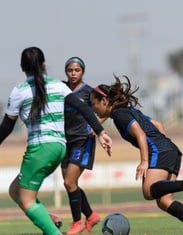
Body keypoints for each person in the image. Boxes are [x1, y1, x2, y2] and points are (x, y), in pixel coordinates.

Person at [0, 47, 112, 235]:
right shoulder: (59, 86)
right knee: (15, 190)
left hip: (40, 149)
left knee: (25, 200)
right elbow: (84, 108)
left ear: (22, 67)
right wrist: (101, 132)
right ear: (44, 64)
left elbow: (6, 127)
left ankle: (52, 229)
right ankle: (48, 219)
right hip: (59, 147)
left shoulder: (19, 91)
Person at [89, 75, 183, 235]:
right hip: (171, 150)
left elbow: (140, 134)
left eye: (93, 104)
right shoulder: (127, 111)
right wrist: (164, 145)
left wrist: (145, 161)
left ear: (104, 102)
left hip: (160, 151)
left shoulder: (120, 116)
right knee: (164, 201)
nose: (93, 109)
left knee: (148, 191)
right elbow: (157, 124)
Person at [61, 57, 110, 234]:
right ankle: (90, 216)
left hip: (83, 141)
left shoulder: (89, 92)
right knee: (70, 184)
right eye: (70, 70)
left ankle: (77, 222)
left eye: (77, 70)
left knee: (69, 181)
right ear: (66, 71)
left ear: (83, 71)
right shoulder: (61, 88)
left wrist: (96, 125)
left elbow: (109, 108)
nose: (73, 73)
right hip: (65, 141)